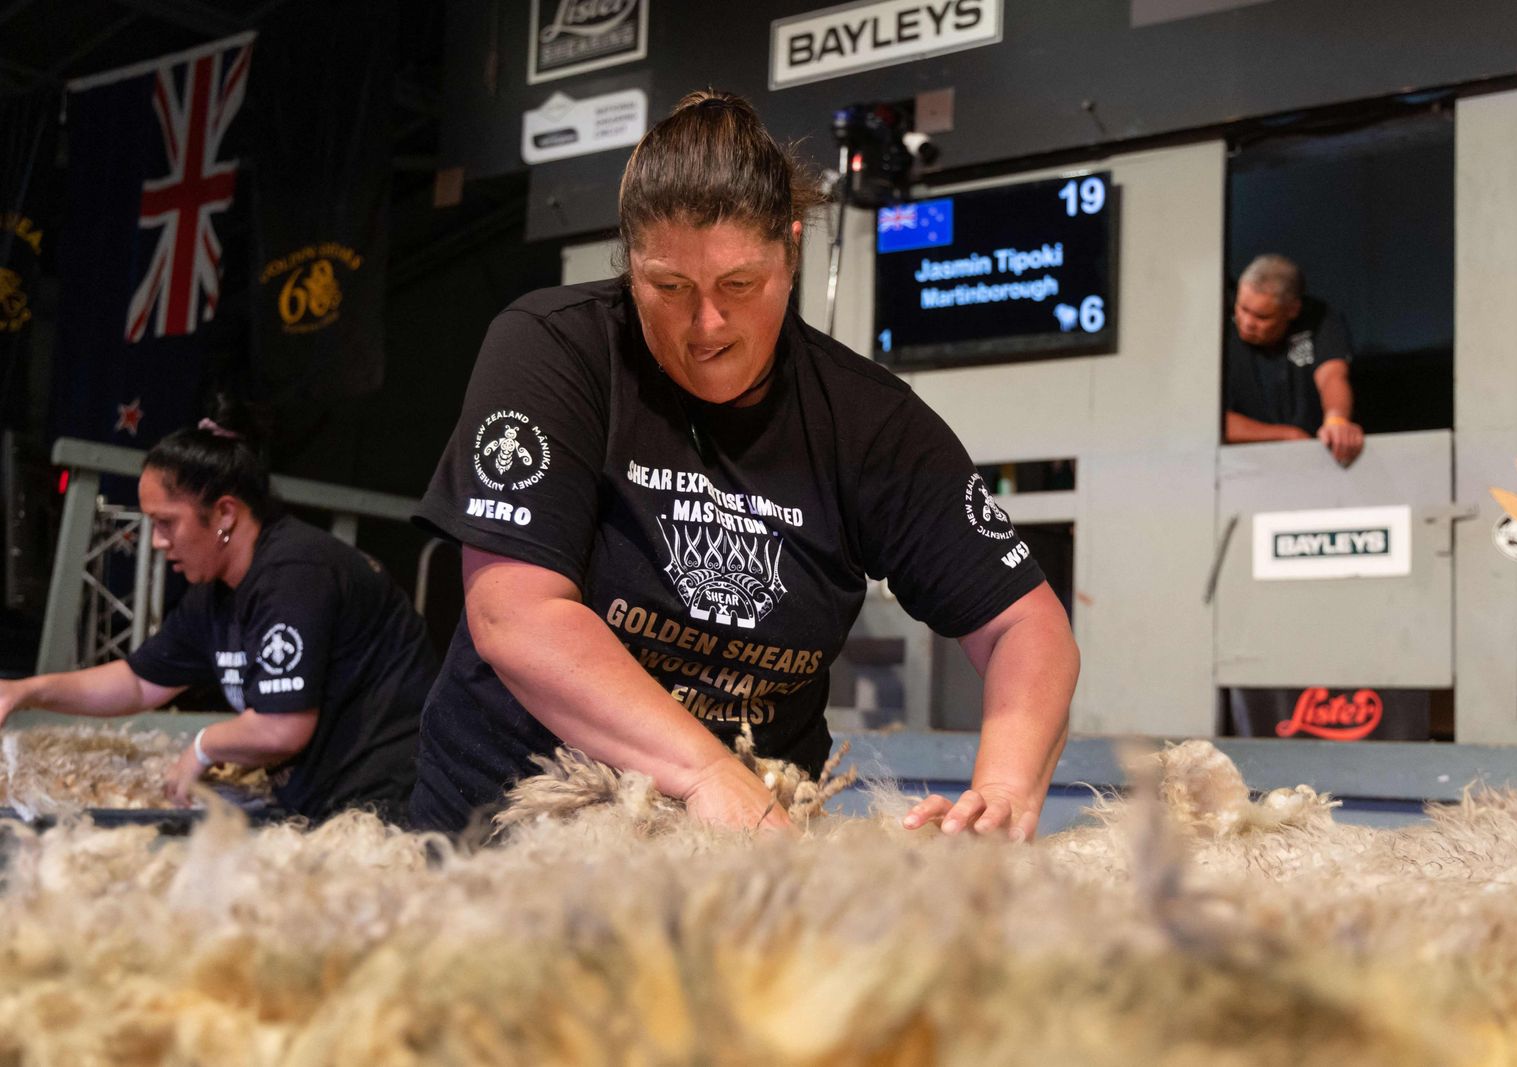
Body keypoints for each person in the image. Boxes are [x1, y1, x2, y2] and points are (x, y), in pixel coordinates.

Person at [410, 90, 1079, 840]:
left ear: (791, 253)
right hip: (516, 823)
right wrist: (702, 768)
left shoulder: (869, 423)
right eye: (669, 287)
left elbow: (1026, 622)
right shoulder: (554, 349)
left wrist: (1004, 788)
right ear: (630, 262)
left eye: (739, 285)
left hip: (752, 848)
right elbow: (515, 613)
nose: (707, 325)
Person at [0, 417, 439, 821]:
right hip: (320, 801)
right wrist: (24, 691)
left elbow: (282, 728)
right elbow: (137, 682)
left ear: (226, 513)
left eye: (167, 523)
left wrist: (203, 745)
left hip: (386, 803)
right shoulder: (215, 593)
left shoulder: (296, 574)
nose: (157, 542)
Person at [1223, 253, 1364, 466]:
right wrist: (1287, 435)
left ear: (1292, 310)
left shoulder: (1318, 318)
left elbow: (1332, 375)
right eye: (1242, 309)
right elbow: (1209, 420)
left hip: (1316, 462)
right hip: (1243, 465)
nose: (1247, 322)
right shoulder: (1219, 324)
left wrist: (1337, 421)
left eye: (1262, 317)